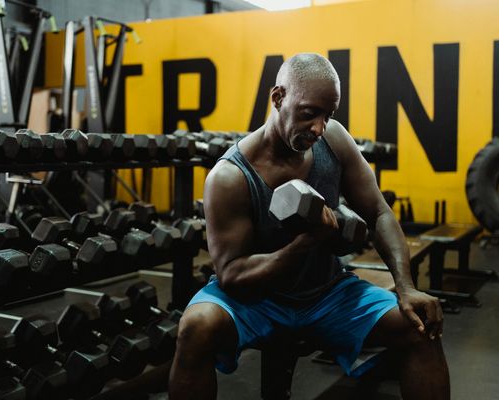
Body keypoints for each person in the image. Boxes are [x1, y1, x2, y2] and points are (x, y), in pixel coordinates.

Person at [168, 53, 449, 400]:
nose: (318, 127)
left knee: (420, 327)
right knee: (195, 327)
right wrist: (308, 241)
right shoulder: (230, 177)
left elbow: (378, 212)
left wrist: (406, 287)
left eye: (327, 115)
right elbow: (232, 275)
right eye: (308, 113)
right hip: (256, 300)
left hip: (327, 293)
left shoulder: (334, 140)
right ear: (278, 98)